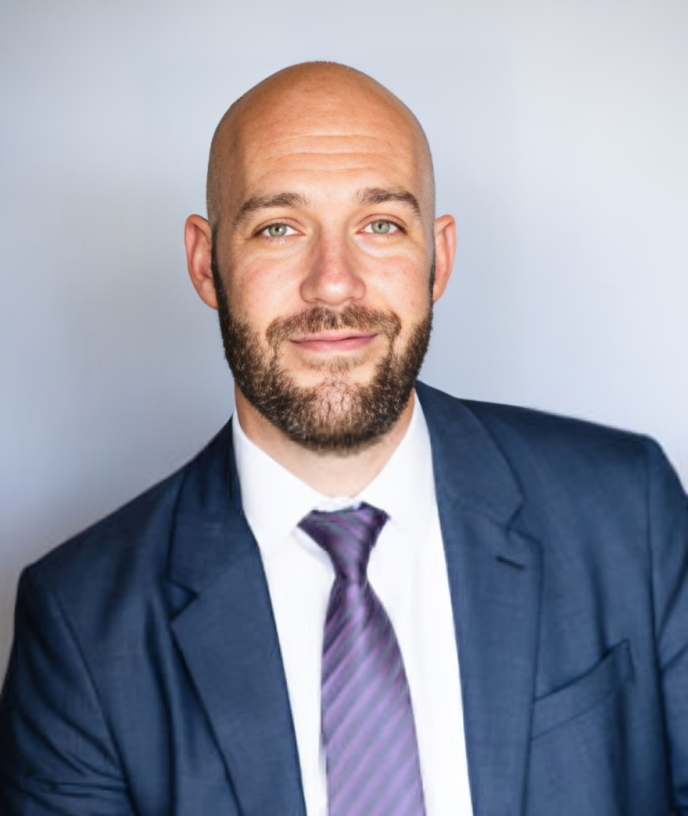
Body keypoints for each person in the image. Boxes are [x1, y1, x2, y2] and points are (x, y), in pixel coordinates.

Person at [1, 61, 687, 816]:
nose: (334, 283)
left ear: (440, 258)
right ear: (206, 262)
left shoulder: (632, 514)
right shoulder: (82, 626)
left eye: (381, 224)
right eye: (279, 227)